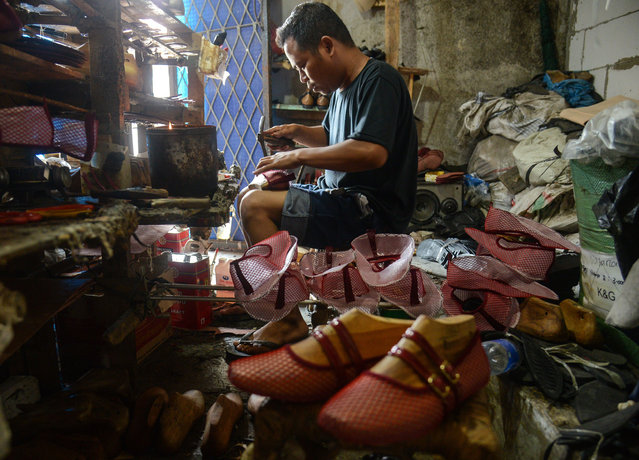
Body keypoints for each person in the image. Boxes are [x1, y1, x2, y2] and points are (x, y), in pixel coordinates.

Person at [234, 1, 417, 354]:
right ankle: (287, 306)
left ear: (328, 46)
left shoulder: (380, 80)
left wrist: (297, 155)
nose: (302, 77)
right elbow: (335, 137)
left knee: (256, 206)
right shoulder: (341, 91)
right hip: (341, 201)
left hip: (368, 212)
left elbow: (370, 152)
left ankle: (287, 320)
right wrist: (298, 133)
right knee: (247, 196)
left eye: (302, 65)